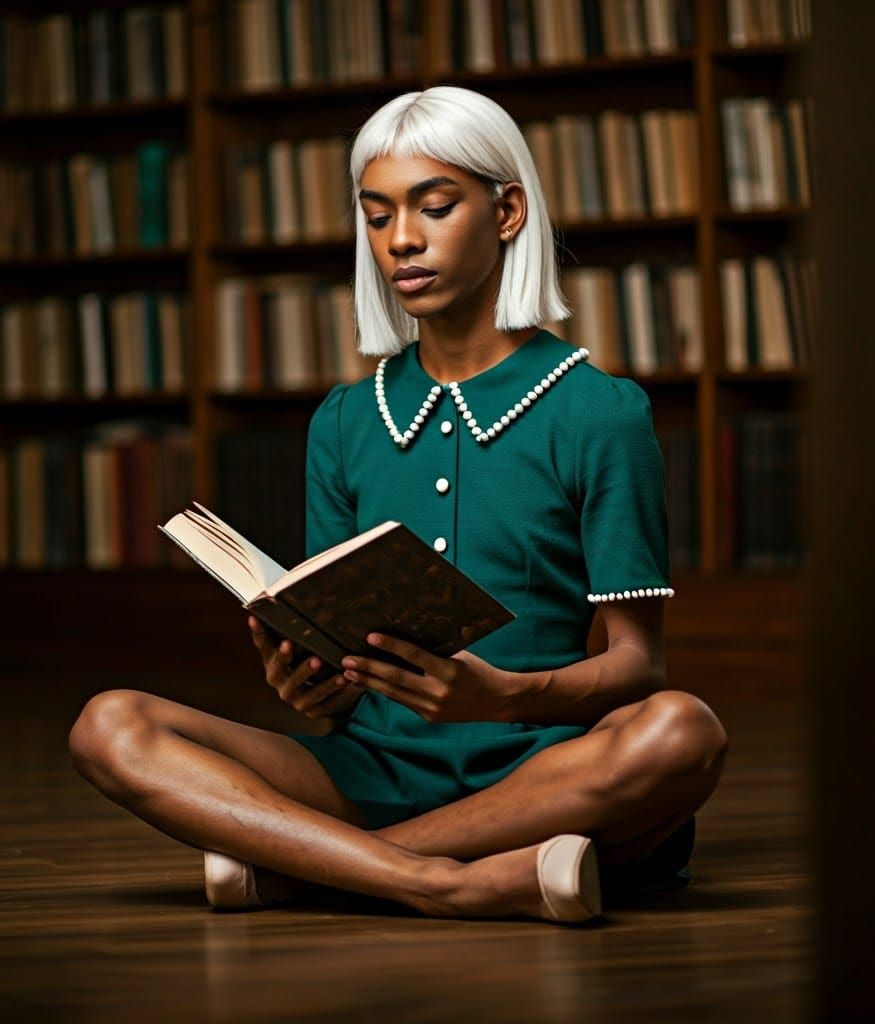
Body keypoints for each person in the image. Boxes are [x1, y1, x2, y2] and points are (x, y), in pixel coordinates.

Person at [69, 85, 728, 924]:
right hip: (365, 773)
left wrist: (504, 699)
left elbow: (641, 666)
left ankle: (312, 869)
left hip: (543, 774)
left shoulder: (600, 411)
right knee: (109, 724)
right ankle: (446, 881)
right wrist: (312, 687)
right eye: (376, 217)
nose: (402, 240)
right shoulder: (345, 419)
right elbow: (338, 653)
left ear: (508, 211)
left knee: (683, 731)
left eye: (434, 206)